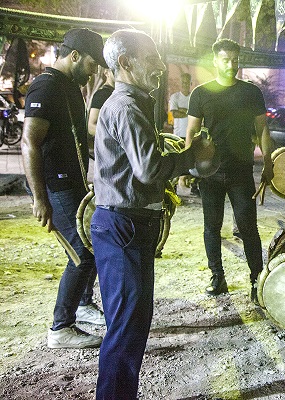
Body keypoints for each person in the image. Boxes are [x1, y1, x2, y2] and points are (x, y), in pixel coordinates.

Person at [91, 29, 214, 399]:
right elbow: (147, 168)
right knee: (126, 329)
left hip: (126, 224)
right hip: (123, 225)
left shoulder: (131, 103)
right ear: (125, 63)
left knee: (131, 325)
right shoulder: (126, 107)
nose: (161, 66)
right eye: (152, 58)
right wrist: (194, 155)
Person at [21, 28, 108, 349]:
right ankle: (61, 327)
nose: (94, 71)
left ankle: (83, 305)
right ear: (74, 56)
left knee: (94, 240)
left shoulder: (69, 87)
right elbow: (29, 143)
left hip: (72, 183)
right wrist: (40, 198)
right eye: (91, 64)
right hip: (54, 187)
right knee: (82, 253)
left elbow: (76, 139)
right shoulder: (45, 86)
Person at [186, 38, 273, 302]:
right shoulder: (201, 93)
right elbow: (191, 131)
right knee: (211, 227)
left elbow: (262, 130)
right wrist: (189, 166)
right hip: (210, 172)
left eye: (235, 60)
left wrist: (268, 162)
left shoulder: (251, 92)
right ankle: (217, 276)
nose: (231, 65)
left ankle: (257, 280)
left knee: (248, 228)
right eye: (225, 59)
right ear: (215, 61)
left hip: (241, 170)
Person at [87, 67, 115, 155]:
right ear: (106, 73)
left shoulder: (117, 93)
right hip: (106, 151)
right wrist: (115, 136)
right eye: (114, 70)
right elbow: (91, 126)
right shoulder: (102, 95)